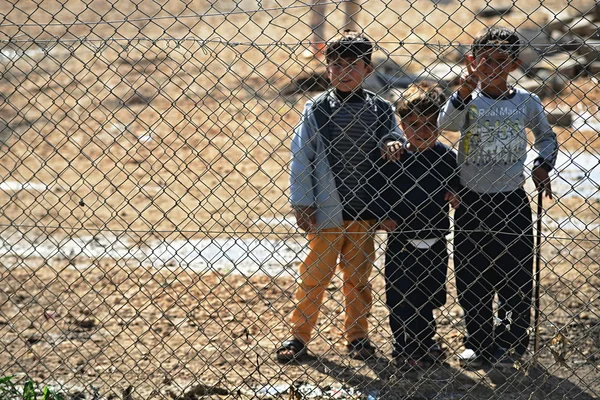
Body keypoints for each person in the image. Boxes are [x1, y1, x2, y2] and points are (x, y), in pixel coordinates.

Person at [277, 30, 404, 363]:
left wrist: (393, 143)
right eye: (336, 65)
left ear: (367, 70)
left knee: (358, 279)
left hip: (364, 210)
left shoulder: (380, 109)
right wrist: (302, 202)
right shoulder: (316, 109)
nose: (343, 72)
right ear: (327, 68)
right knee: (314, 277)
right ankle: (299, 337)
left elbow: (395, 139)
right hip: (327, 212)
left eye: (352, 65)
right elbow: (302, 156)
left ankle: (358, 337)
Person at [438, 26, 558, 369]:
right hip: (471, 200)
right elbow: (445, 124)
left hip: (510, 200)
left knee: (515, 274)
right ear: (472, 61)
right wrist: (463, 89)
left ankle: (509, 342)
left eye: (500, 60)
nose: (492, 67)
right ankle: (477, 340)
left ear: (514, 64)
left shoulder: (526, 102)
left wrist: (542, 163)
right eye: (485, 60)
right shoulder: (467, 101)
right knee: (472, 275)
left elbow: (546, 137)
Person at [373, 82, 460, 370]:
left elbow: (458, 184)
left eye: (429, 124)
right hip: (401, 241)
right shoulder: (394, 157)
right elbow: (377, 191)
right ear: (401, 125)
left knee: (429, 295)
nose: (421, 132)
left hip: (435, 240)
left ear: (441, 124)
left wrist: (455, 193)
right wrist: (383, 215)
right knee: (400, 298)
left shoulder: (447, 157)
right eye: (412, 125)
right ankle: (403, 346)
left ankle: (425, 342)